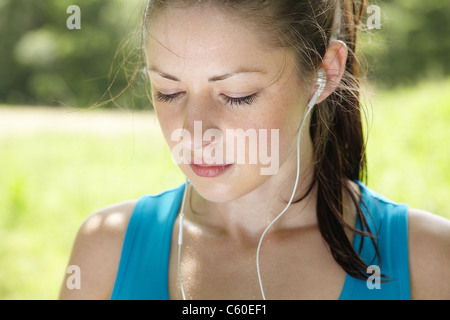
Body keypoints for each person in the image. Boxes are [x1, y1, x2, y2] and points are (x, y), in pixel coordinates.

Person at [59, 0, 450, 300]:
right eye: (169, 91)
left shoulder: (431, 263)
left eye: (237, 96)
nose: (196, 133)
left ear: (324, 74)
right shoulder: (104, 253)